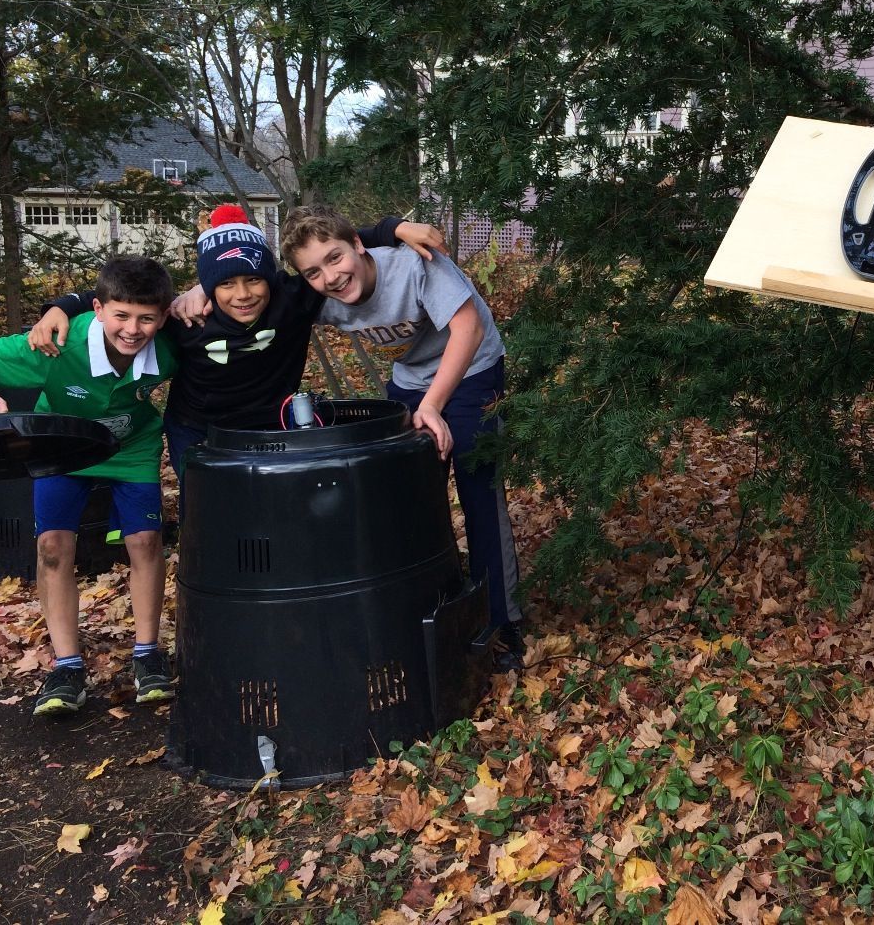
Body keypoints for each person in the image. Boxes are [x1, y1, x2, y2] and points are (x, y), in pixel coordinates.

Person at [29, 205, 446, 489]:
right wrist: (64, 306)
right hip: (198, 429)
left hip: (272, 425)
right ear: (209, 286)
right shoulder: (186, 317)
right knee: (210, 511)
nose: (242, 294)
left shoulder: (295, 298)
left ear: (271, 278)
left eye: (253, 280)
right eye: (225, 284)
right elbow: (127, 298)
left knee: (276, 508)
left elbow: (333, 250)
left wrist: (392, 228)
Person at [278, 205, 526, 668]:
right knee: (409, 492)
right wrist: (199, 293)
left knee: (477, 481)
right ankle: (430, 609)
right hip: (411, 379)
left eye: (335, 258)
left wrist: (433, 406)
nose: (330, 277)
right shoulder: (319, 297)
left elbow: (467, 328)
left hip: (473, 366)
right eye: (312, 271)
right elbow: (251, 297)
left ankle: (501, 623)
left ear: (357, 244)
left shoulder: (412, 263)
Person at [0, 256, 179, 716]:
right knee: (54, 547)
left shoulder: (172, 345)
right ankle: (66, 666)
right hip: (60, 446)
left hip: (130, 446)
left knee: (144, 541)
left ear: (163, 315)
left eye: (146, 318)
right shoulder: (58, 344)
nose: (133, 329)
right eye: (121, 315)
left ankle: (147, 654)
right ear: (98, 309)